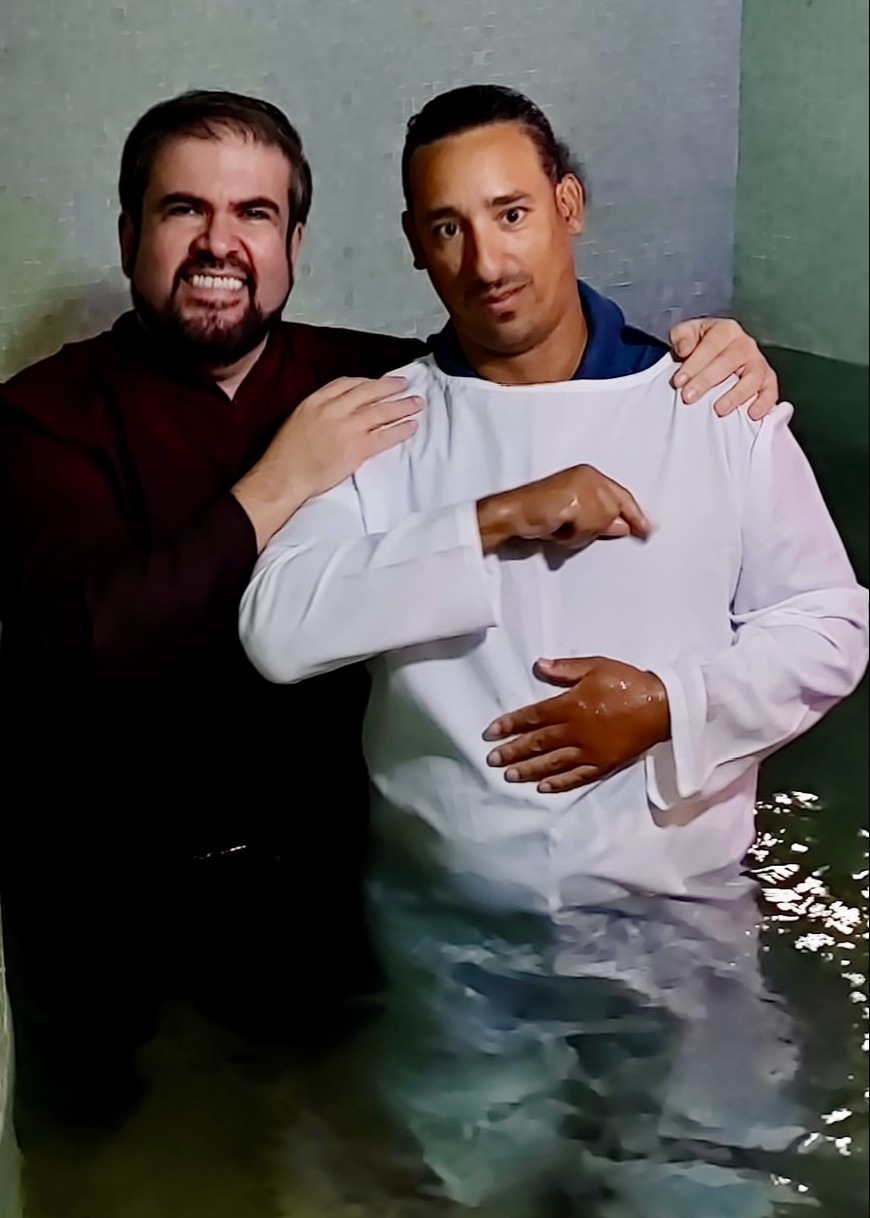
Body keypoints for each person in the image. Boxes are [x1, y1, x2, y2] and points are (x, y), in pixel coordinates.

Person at [0, 88, 778, 1131]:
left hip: (324, 879)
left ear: (294, 243)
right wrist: (276, 486)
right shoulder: (41, 416)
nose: (220, 244)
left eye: (255, 214)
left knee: (330, 1139)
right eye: (184, 210)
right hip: (109, 889)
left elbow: (519, 360)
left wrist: (705, 366)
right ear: (129, 231)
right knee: (110, 1157)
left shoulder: (367, 379)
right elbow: (85, 649)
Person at [238, 85, 869, 1214]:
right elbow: (278, 630)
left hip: (680, 913)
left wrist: (669, 705)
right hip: (455, 929)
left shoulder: (709, 404)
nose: (486, 261)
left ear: (569, 206)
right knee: (472, 1186)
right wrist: (491, 518)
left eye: (512, 213)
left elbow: (831, 621)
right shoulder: (386, 427)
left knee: (707, 1184)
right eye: (448, 227)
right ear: (414, 245)